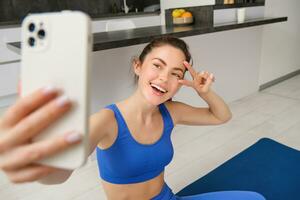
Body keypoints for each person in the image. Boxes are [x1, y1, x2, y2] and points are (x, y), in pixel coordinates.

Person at [0, 36, 265, 200]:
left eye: (175, 73)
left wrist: (204, 92)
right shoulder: (106, 121)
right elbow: (58, 175)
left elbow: (222, 116)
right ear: (138, 66)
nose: (164, 78)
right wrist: (36, 165)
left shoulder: (171, 112)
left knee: (253, 198)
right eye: (157, 65)